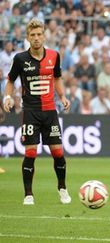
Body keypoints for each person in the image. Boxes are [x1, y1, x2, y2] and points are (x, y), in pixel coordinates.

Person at [2, 19, 71, 205]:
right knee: (31, 153)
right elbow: (10, 81)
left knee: (58, 152)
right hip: (31, 111)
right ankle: (28, 195)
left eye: (39, 34)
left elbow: (57, 78)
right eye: (32, 35)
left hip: (50, 111)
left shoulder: (54, 56)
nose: (36, 38)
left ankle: (62, 188)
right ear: (27, 37)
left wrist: (63, 97)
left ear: (44, 36)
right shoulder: (20, 59)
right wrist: (7, 97)